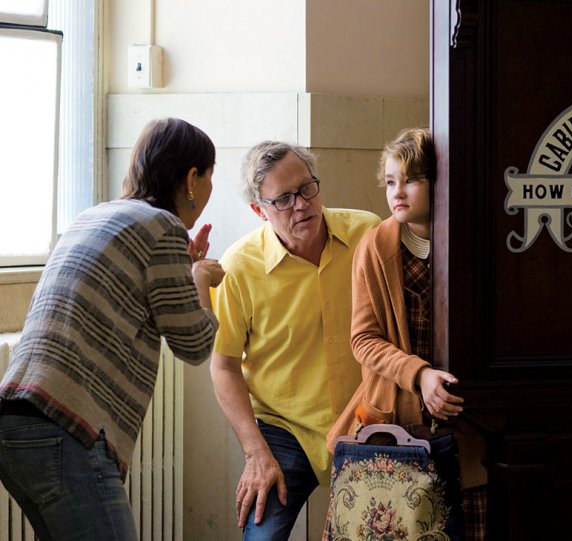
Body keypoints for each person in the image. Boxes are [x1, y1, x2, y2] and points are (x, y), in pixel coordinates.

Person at [0, 117, 224, 540]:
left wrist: (183, 268)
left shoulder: (94, 215)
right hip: (67, 427)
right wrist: (199, 278)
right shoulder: (164, 227)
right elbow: (195, 344)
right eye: (211, 176)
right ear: (192, 178)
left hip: (17, 420)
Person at [209, 141, 380, 539]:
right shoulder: (238, 268)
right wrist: (256, 452)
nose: (301, 205)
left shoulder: (367, 233)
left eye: (306, 188)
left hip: (368, 415)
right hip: (286, 428)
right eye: (283, 199)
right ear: (259, 210)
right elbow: (224, 365)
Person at [326, 127, 488, 540]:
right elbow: (363, 340)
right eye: (390, 181)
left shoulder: (473, 240)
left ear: (441, 181)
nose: (398, 192)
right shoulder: (374, 247)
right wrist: (420, 375)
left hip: (463, 422)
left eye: (411, 180)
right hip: (395, 422)